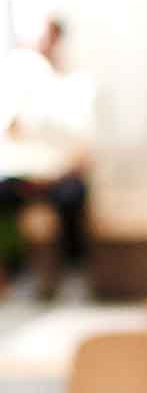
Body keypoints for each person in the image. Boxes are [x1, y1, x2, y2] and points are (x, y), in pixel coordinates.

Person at [0, 16, 94, 295]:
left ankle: (72, 274)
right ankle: (12, 271)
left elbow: (83, 143)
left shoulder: (75, 84)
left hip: (60, 176)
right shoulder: (16, 80)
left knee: (73, 196)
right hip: (22, 174)